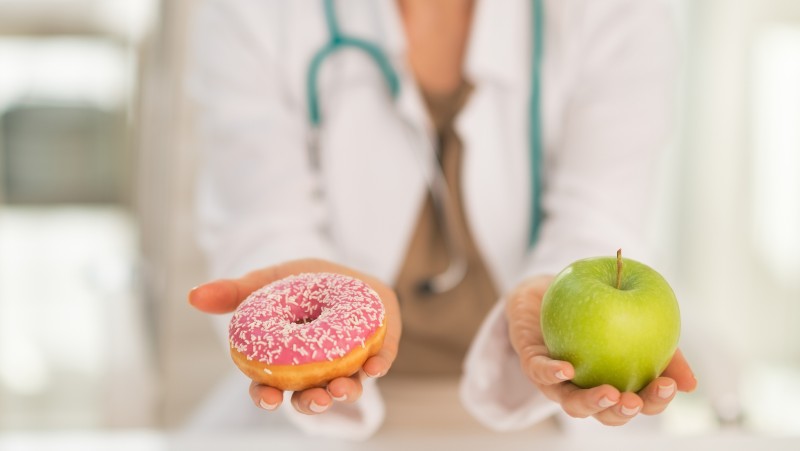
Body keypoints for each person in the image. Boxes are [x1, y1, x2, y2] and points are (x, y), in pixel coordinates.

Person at [186, 0, 697, 439]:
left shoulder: (616, 12)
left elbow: (599, 218)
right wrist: (307, 298)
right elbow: (263, 219)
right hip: (323, 416)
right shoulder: (254, 11)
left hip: (535, 412)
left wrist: (555, 315)